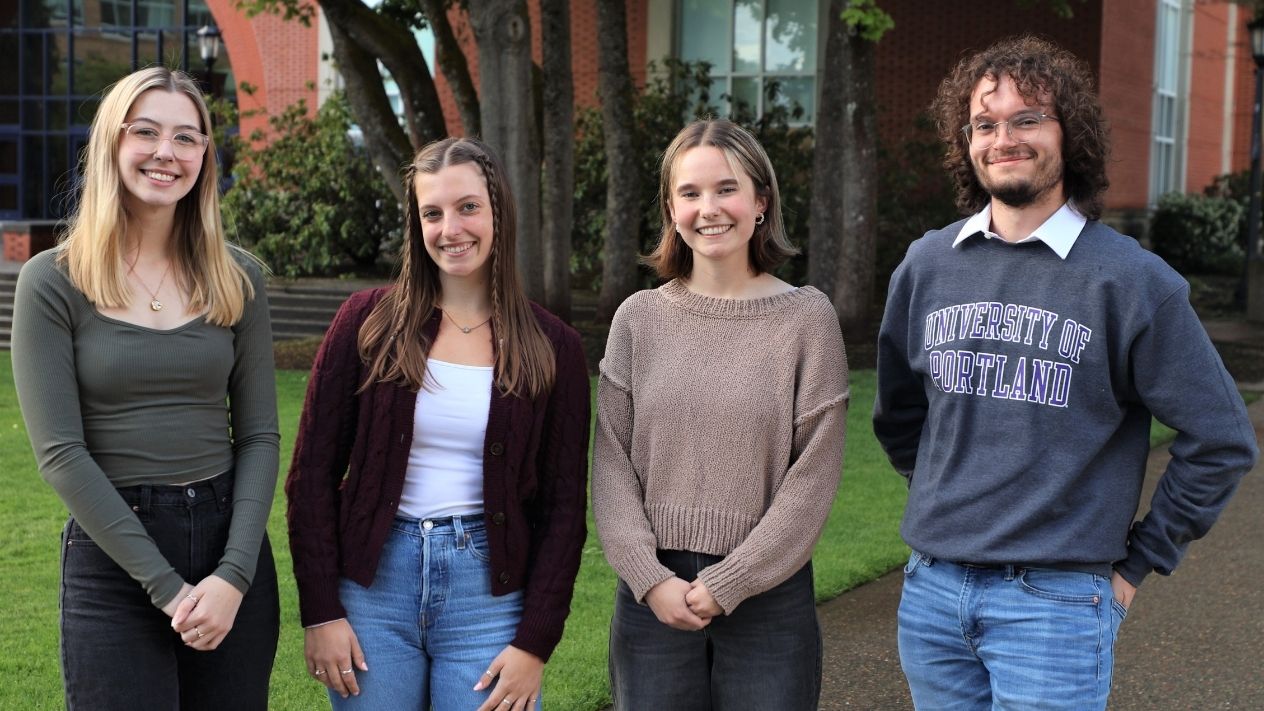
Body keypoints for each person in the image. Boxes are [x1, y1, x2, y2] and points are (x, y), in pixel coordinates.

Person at [874, 35, 1259, 710]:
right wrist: (955, 490)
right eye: (985, 124)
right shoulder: (927, 265)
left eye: (1028, 119)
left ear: (1069, 133)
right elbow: (899, 415)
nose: (1005, 138)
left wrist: (1136, 565)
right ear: (965, 140)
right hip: (932, 594)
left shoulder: (1132, 282)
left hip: (1053, 606)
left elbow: (1222, 438)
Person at [285, 137, 590, 711]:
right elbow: (311, 477)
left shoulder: (554, 346)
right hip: (373, 590)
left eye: (468, 206)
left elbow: (564, 510)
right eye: (432, 212)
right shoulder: (366, 323)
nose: (451, 227)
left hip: (489, 596)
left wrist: (534, 643)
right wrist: (321, 609)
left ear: (498, 211)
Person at [11, 67, 280, 710]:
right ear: (112, 144)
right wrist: (167, 588)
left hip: (228, 550)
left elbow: (261, 435)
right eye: (148, 132)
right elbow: (60, 454)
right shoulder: (53, 281)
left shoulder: (237, 278)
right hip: (114, 556)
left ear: (205, 157)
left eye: (187, 138)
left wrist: (232, 577)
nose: (168, 152)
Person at [592, 118, 849, 710]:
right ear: (671, 209)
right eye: (690, 193)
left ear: (761, 201)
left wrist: (731, 581)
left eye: (726, 189)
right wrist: (649, 578)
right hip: (652, 596)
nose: (709, 209)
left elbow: (812, 478)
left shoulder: (807, 321)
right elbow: (610, 465)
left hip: (770, 594)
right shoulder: (638, 319)